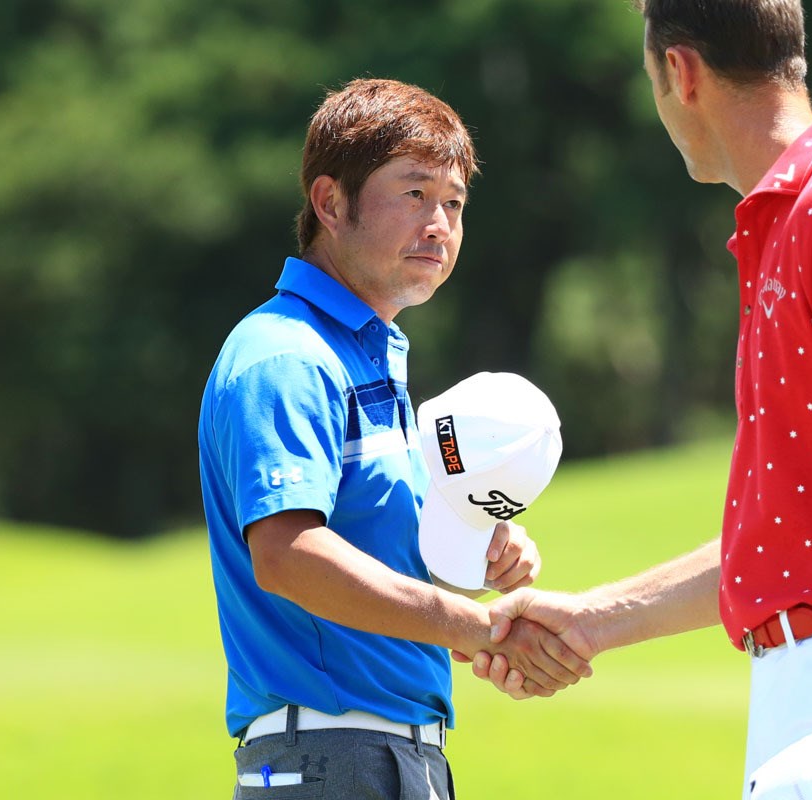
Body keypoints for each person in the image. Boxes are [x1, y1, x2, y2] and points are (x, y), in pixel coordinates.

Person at [463, 3, 812, 799]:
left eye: (652, 79)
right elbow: (789, 542)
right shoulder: (794, 221)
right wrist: (595, 619)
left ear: (680, 73)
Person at [197, 77, 589, 800]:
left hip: (385, 754)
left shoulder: (369, 355)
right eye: (413, 193)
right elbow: (288, 556)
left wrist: (478, 552)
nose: (439, 222)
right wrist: (475, 626)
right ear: (330, 203)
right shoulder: (286, 356)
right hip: (323, 753)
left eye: (454, 202)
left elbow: (377, 549)